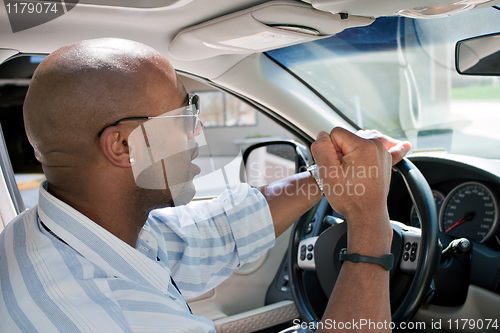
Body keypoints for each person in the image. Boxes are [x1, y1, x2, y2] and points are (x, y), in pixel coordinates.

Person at [0, 38, 411, 332]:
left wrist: (330, 174)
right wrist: (371, 224)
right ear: (124, 146)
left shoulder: (52, 232)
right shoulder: (119, 318)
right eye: (184, 118)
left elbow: (218, 229)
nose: (197, 131)